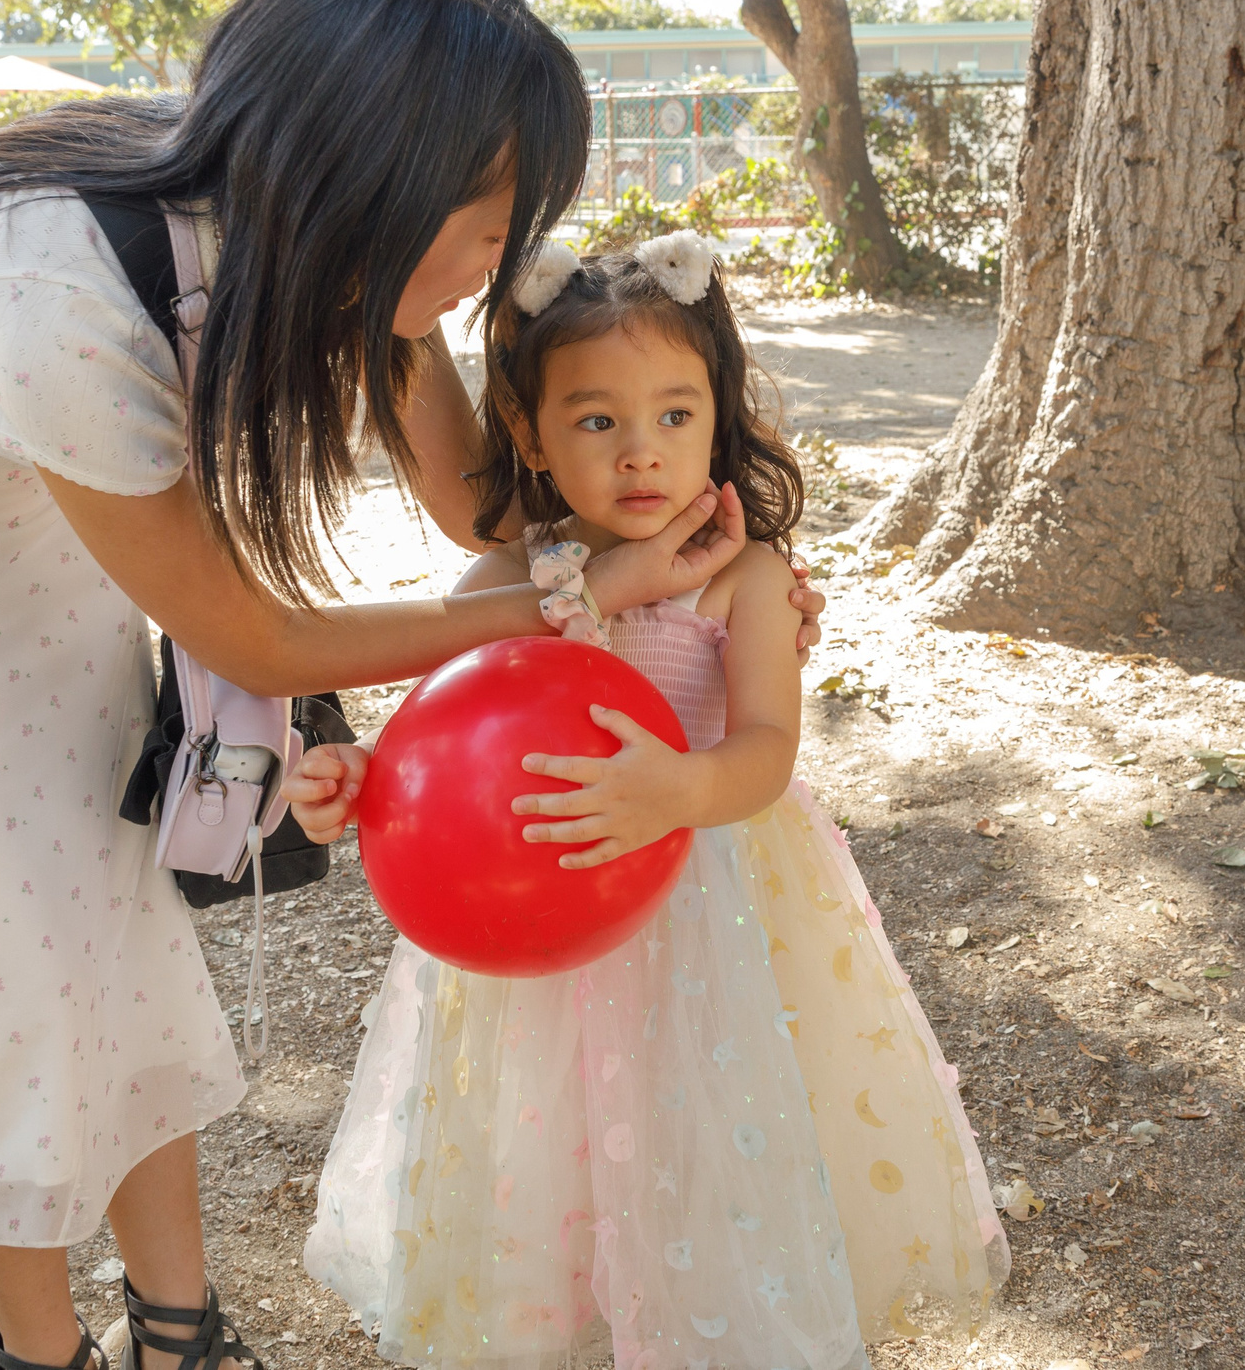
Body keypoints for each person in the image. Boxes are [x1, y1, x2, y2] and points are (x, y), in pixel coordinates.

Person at [0, 0, 827, 1370]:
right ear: (374, 173)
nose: (497, 263)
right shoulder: (56, 298)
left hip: (26, 462)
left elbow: (479, 495)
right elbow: (259, 636)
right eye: (484, 221)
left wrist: (693, 585)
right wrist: (580, 596)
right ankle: (38, 1350)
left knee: (105, 885)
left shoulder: (336, 241)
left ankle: (179, 1324)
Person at [297, 235, 1007, 1370]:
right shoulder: (505, 582)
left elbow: (768, 749)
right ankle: (572, 1312)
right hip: (540, 920)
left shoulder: (747, 576)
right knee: (547, 1135)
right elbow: (448, 743)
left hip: (708, 908)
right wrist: (361, 783)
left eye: (676, 417)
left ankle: (706, 1320)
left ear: (718, 418)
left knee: (700, 1126)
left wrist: (683, 787)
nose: (641, 454)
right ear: (527, 432)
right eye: (594, 421)